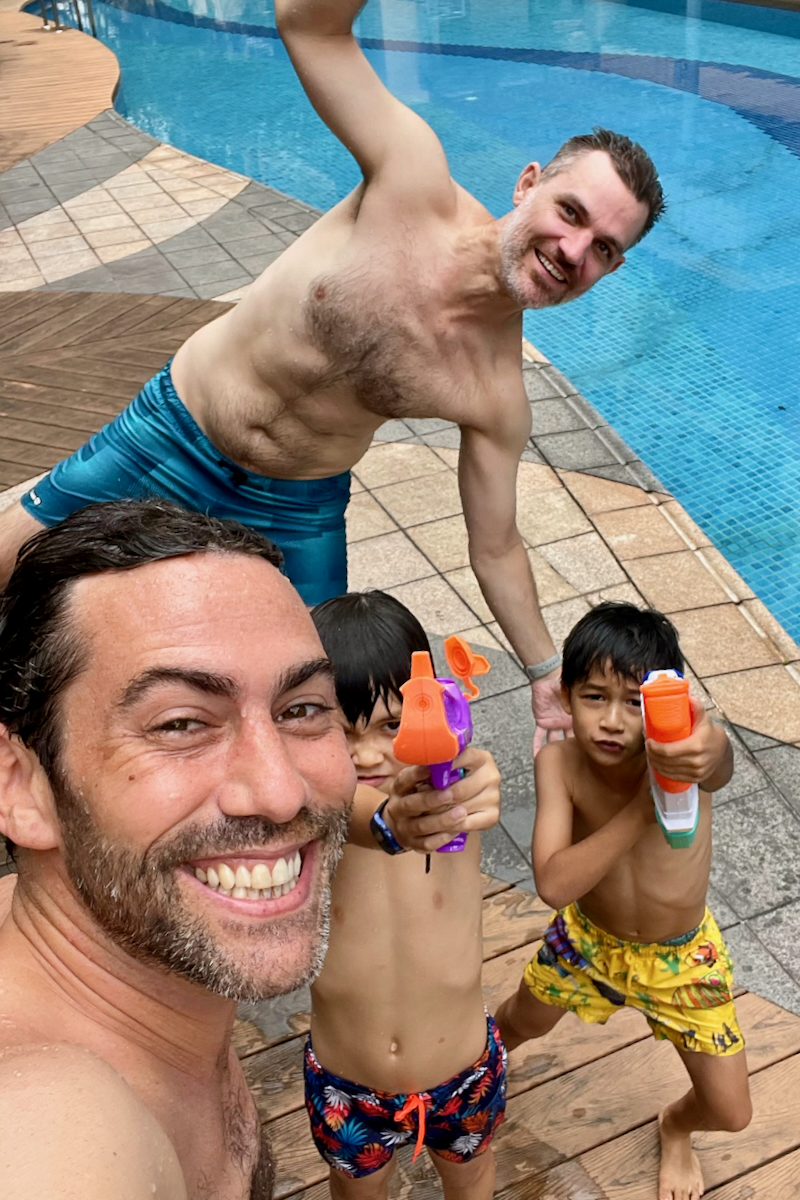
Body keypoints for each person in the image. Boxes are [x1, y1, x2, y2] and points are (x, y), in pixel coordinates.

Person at [0, 0, 668, 749]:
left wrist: (545, 674)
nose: (574, 251)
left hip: (297, 510)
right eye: (570, 212)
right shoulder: (410, 178)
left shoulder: (495, 394)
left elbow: (496, 546)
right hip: (171, 433)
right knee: (5, 560)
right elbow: (310, 25)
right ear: (528, 183)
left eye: (604, 249)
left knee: (320, 712)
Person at [0, 499, 360, 1199]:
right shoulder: (50, 1123)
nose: (281, 792)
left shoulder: (139, 951)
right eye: (180, 724)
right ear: (19, 784)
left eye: (301, 709)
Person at [494, 602, 752, 1200]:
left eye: (635, 703)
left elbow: (717, 762)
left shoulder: (681, 753)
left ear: (664, 704)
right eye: (594, 697)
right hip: (588, 941)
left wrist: (710, 748)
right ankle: (479, 1076)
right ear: (565, 696)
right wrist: (642, 809)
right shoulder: (559, 763)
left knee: (731, 1110)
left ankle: (676, 1126)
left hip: (682, 960)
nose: (612, 721)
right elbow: (554, 885)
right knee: (517, 1022)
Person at [306, 590, 505, 1199]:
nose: (366, 754)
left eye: (393, 726)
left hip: (461, 1073)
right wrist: (389, 823)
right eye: (340, 732)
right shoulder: (311, 812)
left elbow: (473, 775)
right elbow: (347, 810)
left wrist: (469, 782)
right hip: (348, 1085)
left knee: (472, 1183)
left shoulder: (448, 791)